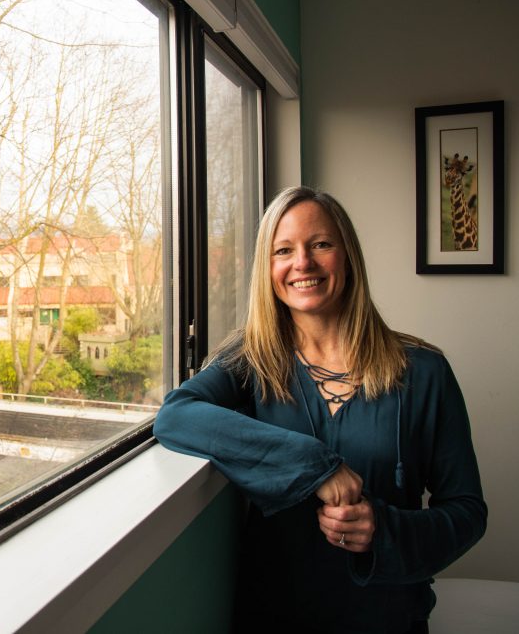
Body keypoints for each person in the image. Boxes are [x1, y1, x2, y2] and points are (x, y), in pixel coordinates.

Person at [153, 187, 486, 633]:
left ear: (347, 256)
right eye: (283, 250)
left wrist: (381, 531)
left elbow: (467, 512)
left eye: (321, 244)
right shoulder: (251, 360)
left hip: (386, 618)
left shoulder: (425, 372)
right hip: (275, 616)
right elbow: (176, 415)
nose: (302, 263)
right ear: (268, 270)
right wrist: (317, 468)